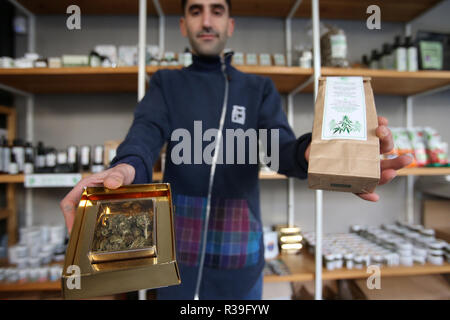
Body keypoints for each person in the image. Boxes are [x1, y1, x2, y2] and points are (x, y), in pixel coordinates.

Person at [60, 0, 412, 300]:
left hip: (239, 253)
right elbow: (145, 133)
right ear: (184, 25)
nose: (207, 21)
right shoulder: (166, 83)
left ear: (230, 24)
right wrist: (124, 168)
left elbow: (281, 149)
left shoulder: (258, 88)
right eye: (196, 11)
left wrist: (320, 155)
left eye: (217, 11)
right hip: (174, 251)